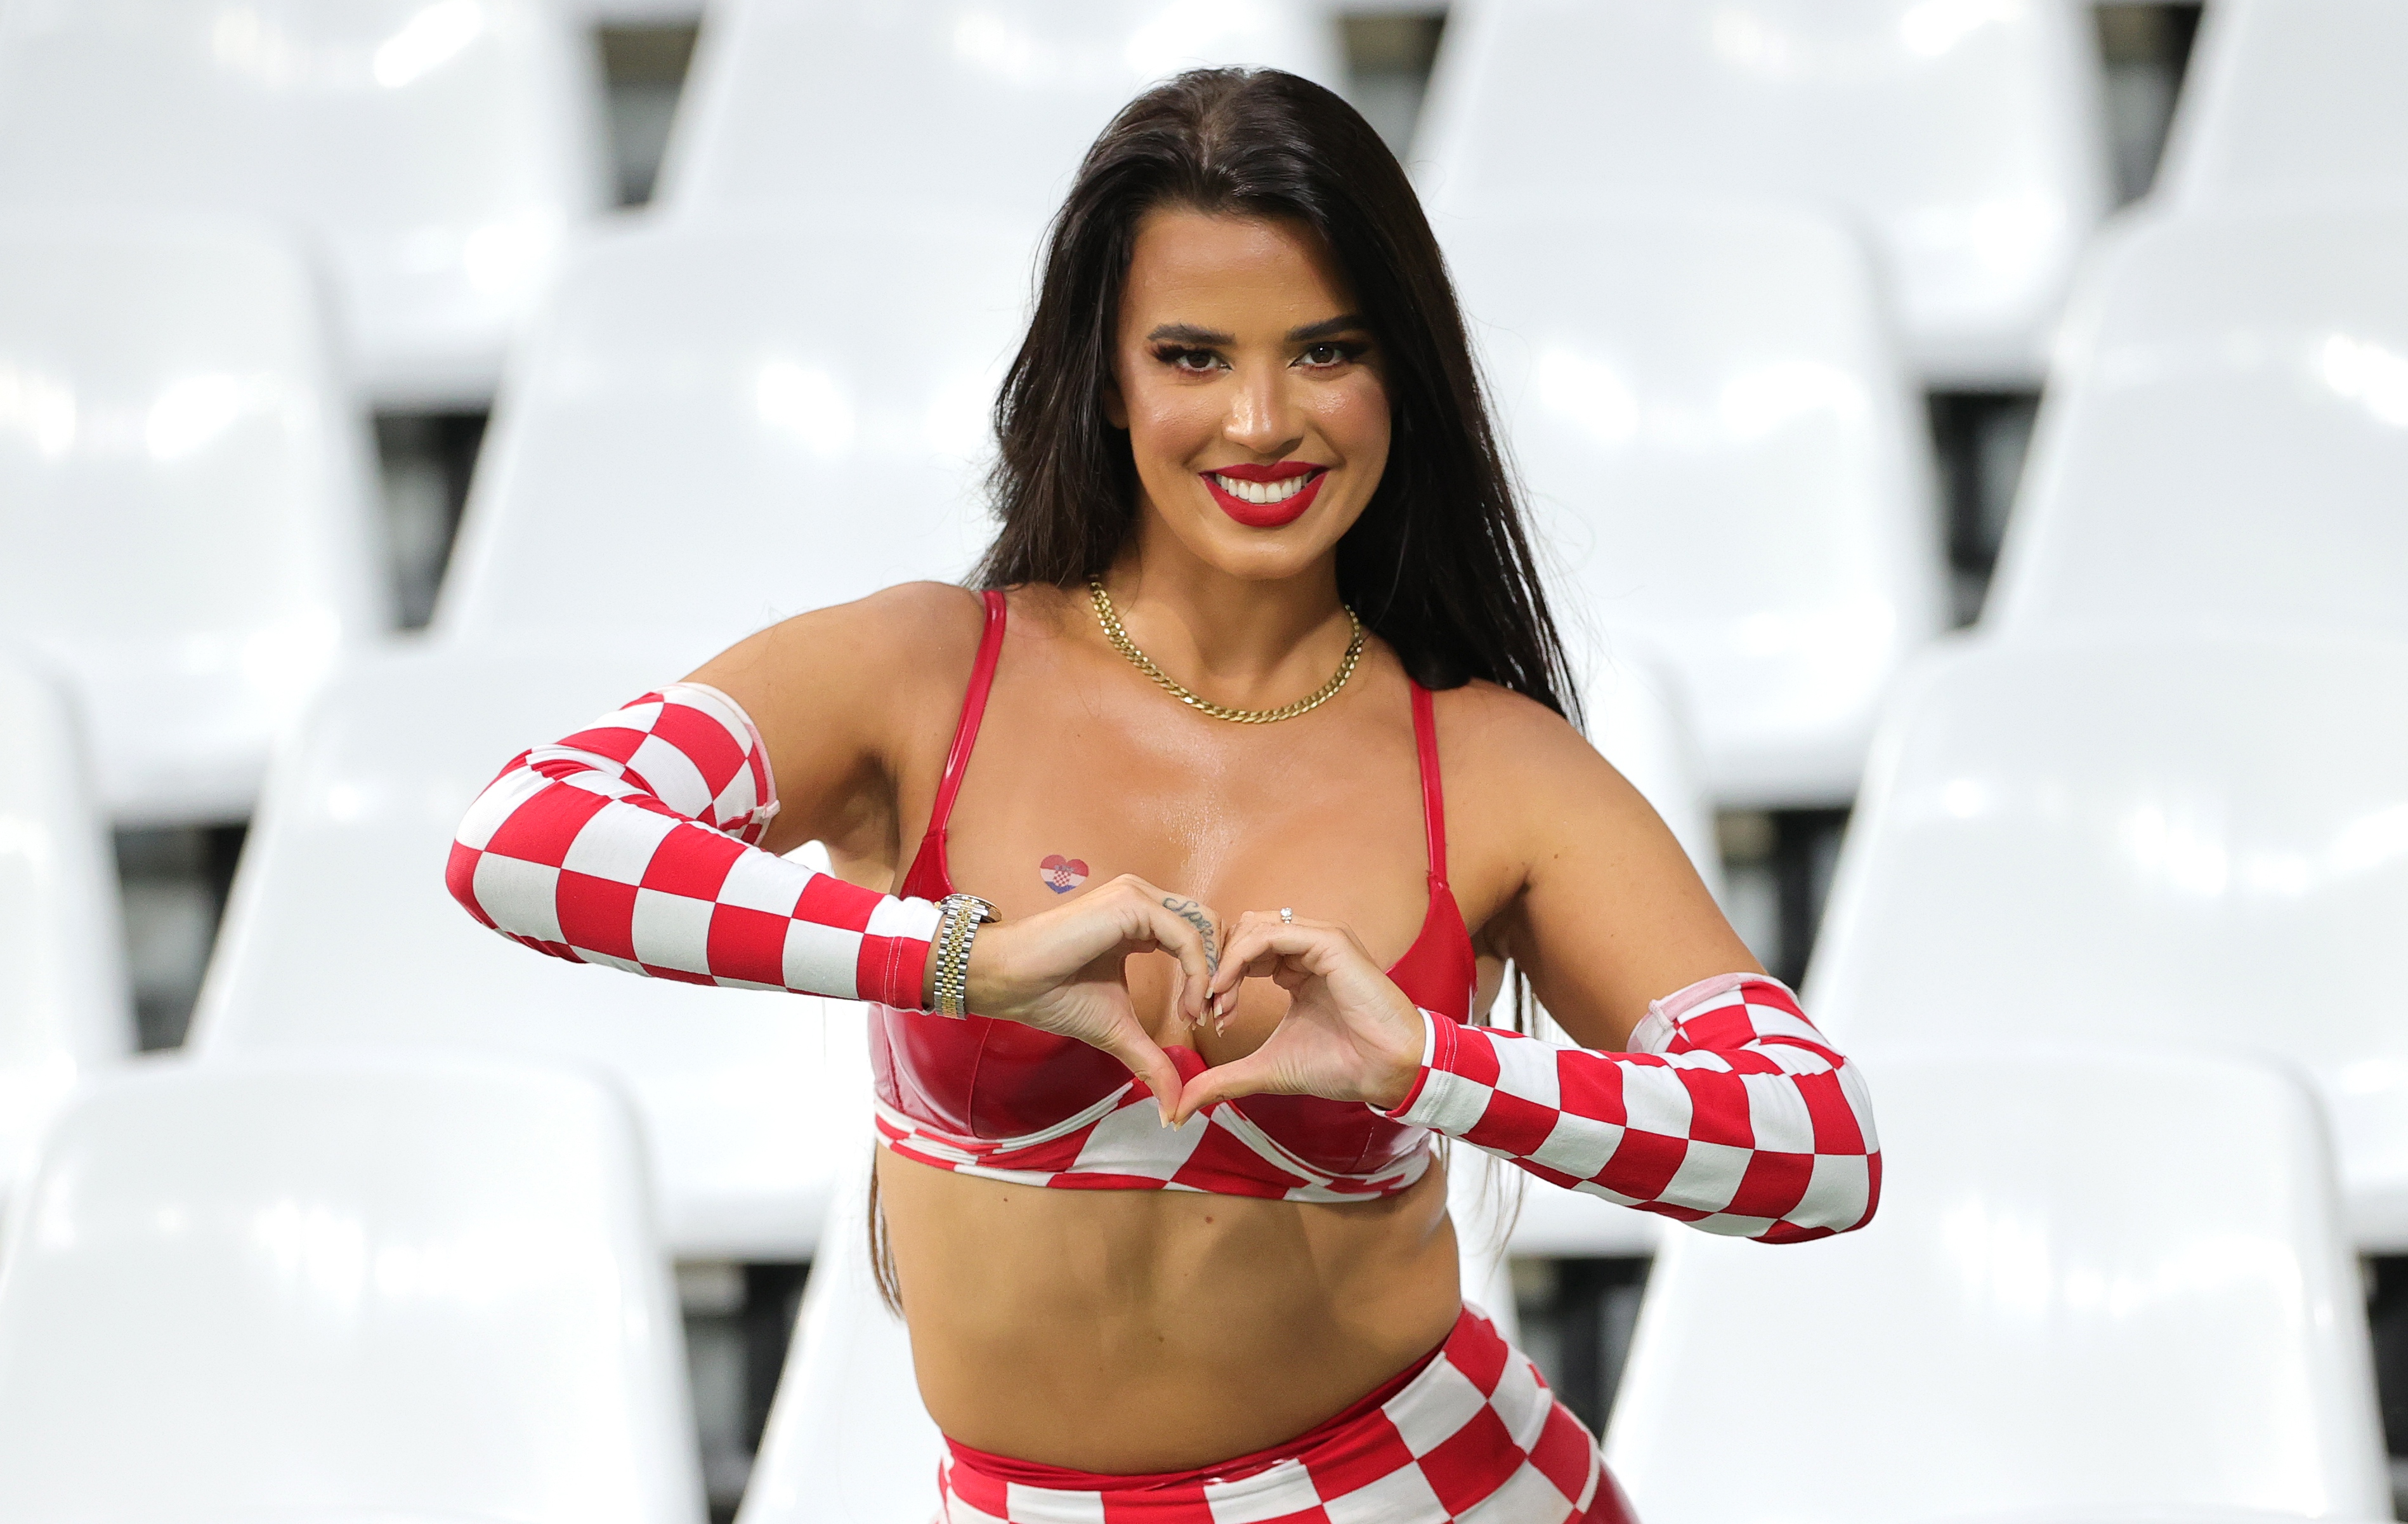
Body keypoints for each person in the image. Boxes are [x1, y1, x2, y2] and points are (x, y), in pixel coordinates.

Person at [447, 67, 1878, 1523]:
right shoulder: (927, 672)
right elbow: (524, 842)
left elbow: (1816, 1147)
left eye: (1326, 351)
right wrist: (967, 960)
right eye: (1192, 357)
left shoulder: (1491, 762)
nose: (1260, 420)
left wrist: (1428, 1068)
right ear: (1105, 378)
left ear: (1404, 375)